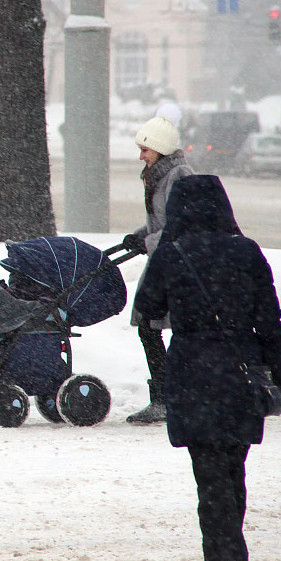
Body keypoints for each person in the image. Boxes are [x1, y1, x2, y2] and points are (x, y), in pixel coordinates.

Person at [134, 174, 281, 561]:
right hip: (241, 373)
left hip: (193, 374)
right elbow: (269, 320)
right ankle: (230, 557)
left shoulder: (172, 253)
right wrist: (277, 374)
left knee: (210, 475)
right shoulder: (247, 252)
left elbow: (148, 307)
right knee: (232, 471)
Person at [121, 111, 194, 424]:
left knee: (163, 329)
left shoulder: (177, 176)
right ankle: (166, 397)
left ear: (161, 149)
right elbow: (159, 222)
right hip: (162, 260)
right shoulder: (159, 175)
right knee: (150, 327)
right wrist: (139, 236)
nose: (141, 156)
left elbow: (180, 223)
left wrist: (149, 243)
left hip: (177, 265)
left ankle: (169, 398)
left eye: (145, 150)